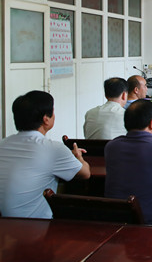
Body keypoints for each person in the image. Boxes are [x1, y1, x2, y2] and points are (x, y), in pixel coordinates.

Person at [0, 91, 90, 219]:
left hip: (4, 225)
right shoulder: (53, 148)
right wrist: (79, 157)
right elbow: (85, 173)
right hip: (36, 226)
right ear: (46, 119)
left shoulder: (3, 144)